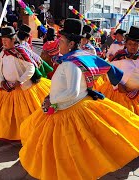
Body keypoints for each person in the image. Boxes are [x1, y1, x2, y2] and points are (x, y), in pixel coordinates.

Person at [19, 19, 139, 180]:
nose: (57, 43)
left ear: (70, 44)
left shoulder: (71, 63)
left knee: (69, 149)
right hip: (69, 104)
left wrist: (51, 101)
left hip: (68, 109)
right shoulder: (78, 57)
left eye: (61, 40)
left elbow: (73, 91)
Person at [0, 26, 51, 140]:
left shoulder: (20, 51)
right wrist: (1, 82)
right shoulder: (3, 53)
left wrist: (19, 81)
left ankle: (28, 133)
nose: (4, 42)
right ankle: (10, 132)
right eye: (2, 40)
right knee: (6, 114)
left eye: (6, 40)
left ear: (13, 39)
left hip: (23, 87)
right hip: (6, 87)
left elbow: (31, 68)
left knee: (26, 113)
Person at [98, 26, 139, 115]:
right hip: (118, 93)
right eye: (130, 44)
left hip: (135, 95)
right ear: (126, 44)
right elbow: (110, 71)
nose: (133, 47)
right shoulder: (120, 56)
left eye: (136, 44)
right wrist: (117, 85)